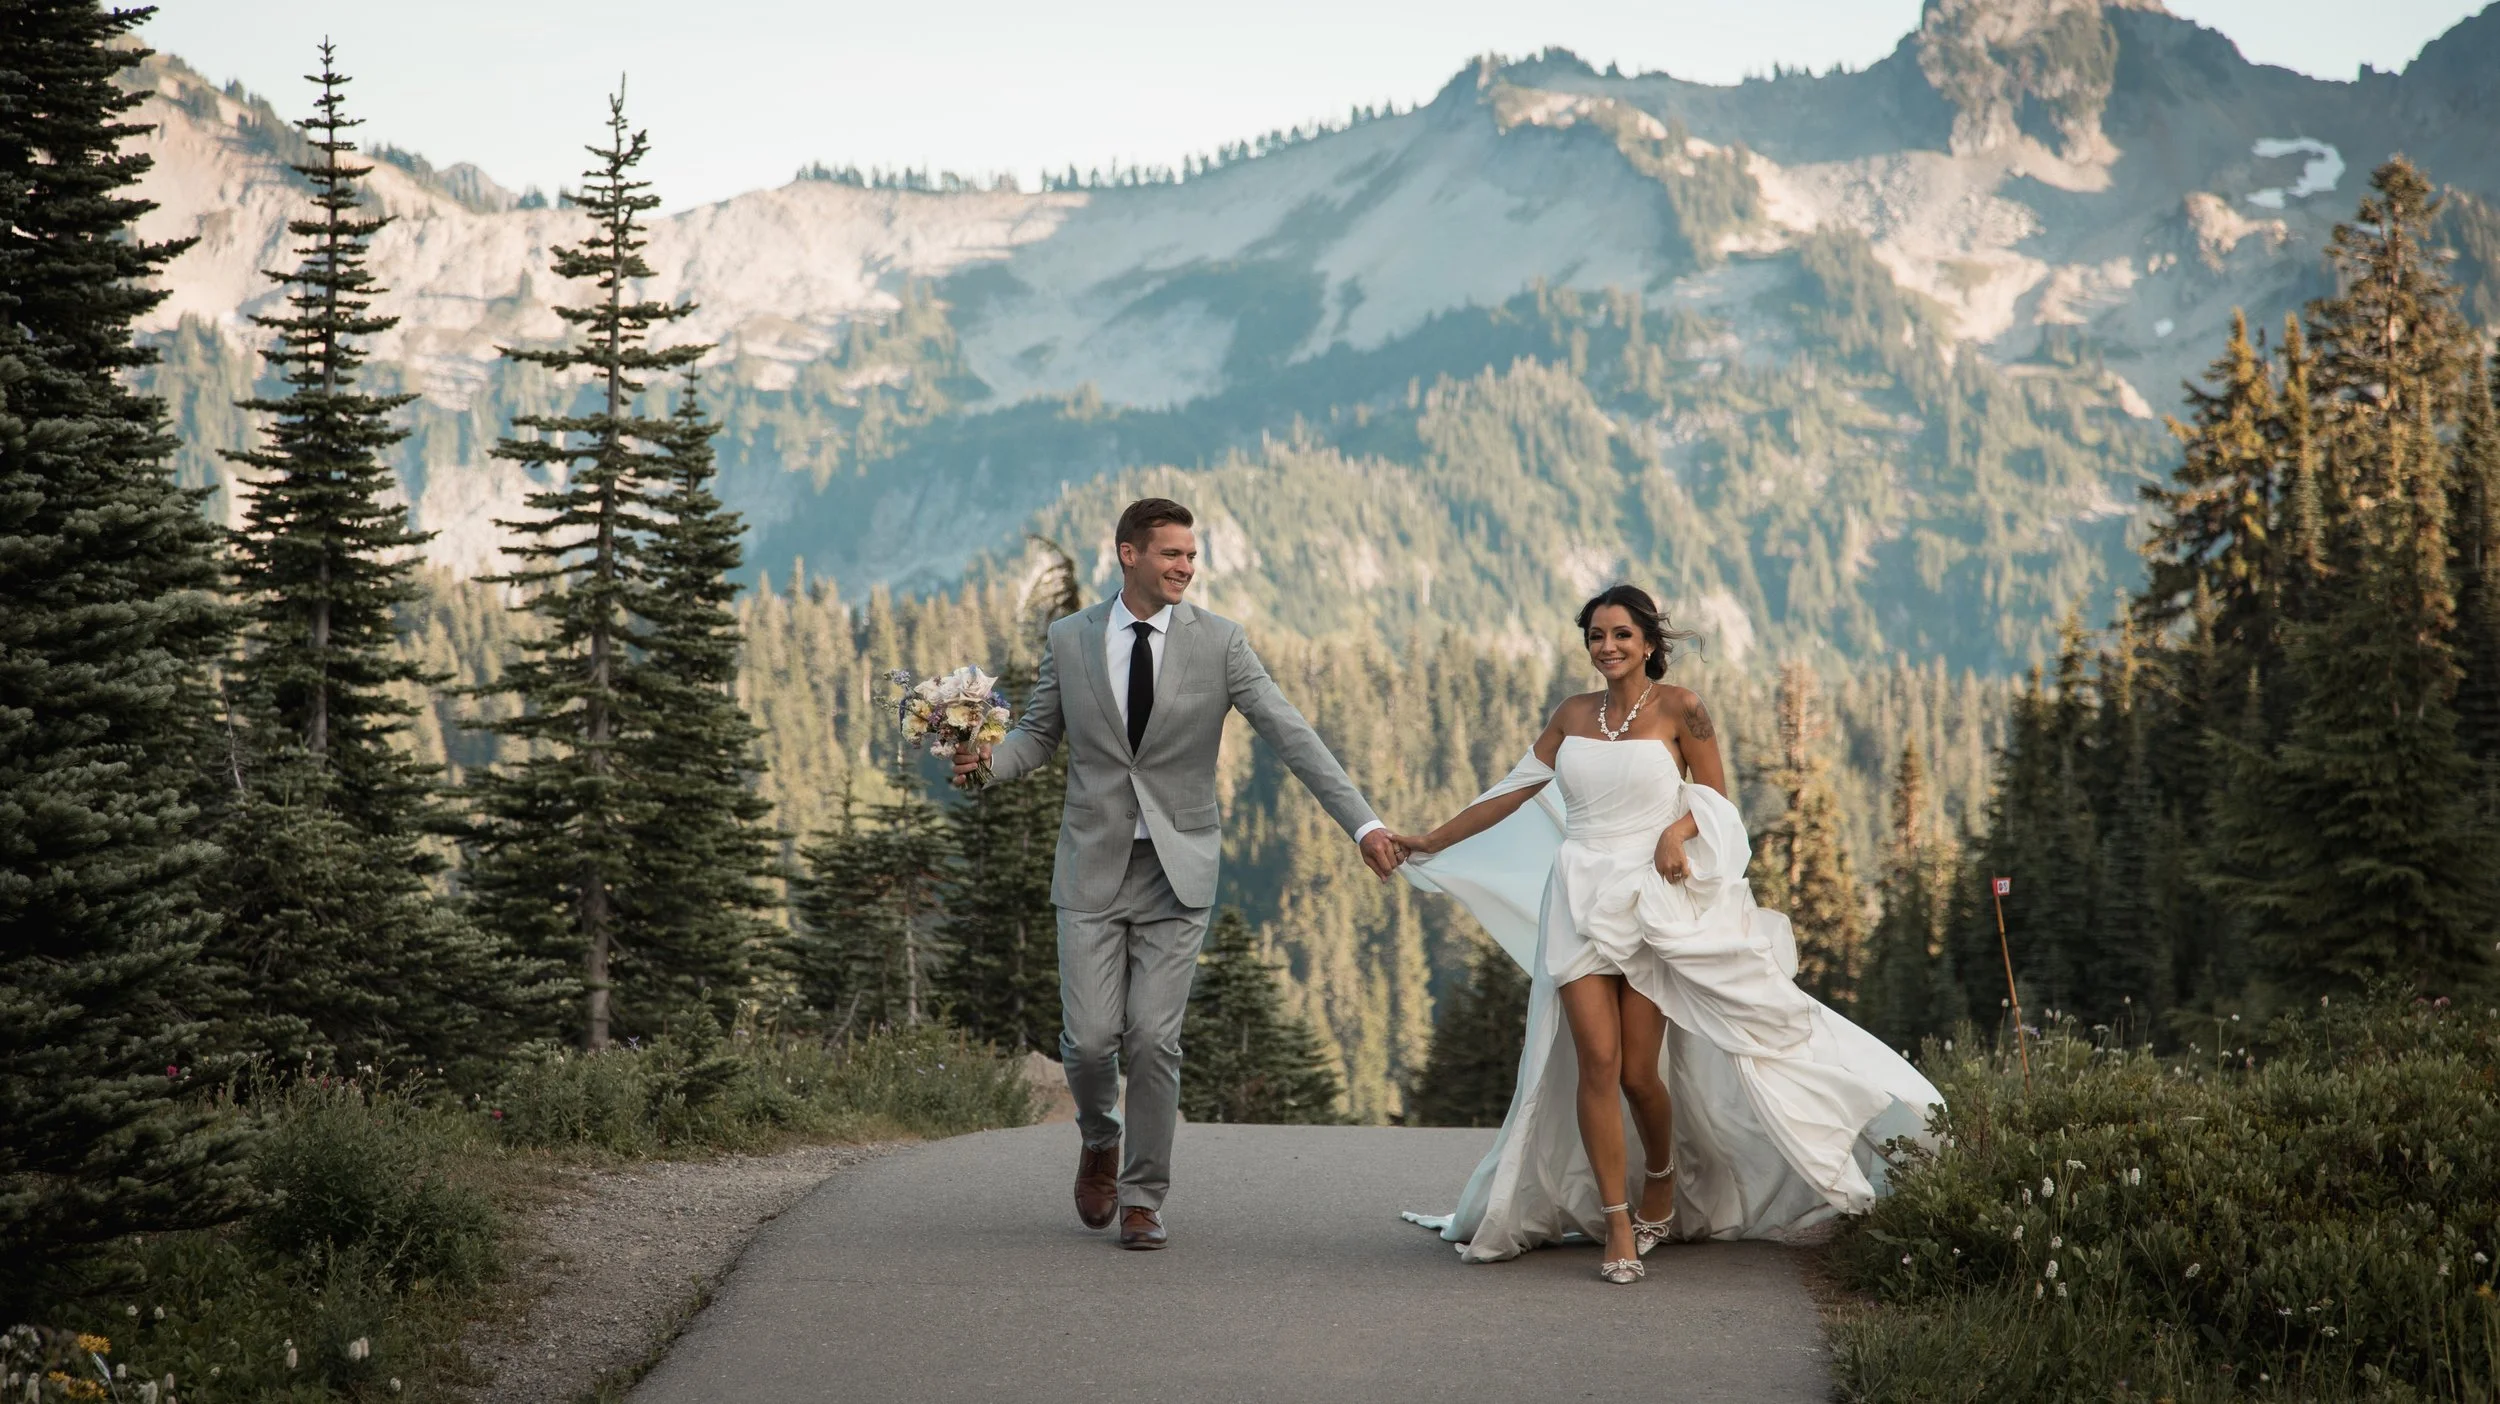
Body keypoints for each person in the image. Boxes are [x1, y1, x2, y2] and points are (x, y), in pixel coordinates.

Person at [1387, 585, 1941, 1283]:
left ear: (1650, 642)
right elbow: (1511, 790)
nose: (1607, 646)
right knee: (1594, 1060)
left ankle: (1662, 1175)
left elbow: (1717, 802)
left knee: (1638, 1073)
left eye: (1621, 634)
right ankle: (1618, 1226)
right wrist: (1427, 842)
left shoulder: (1683, 709)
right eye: (1596, 635)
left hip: (1652, 904)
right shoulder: (1571, 715)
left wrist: (1677, 833)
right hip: (1580, 895)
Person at [958, 497, 1402, 1250]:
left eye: (1192, 557)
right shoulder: (1069, 638)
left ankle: (1142, 1194)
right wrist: (984, 765)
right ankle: (1100, 1138)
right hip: (1092, 865)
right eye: (1171, 554)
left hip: (1177, 871)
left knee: (1154, 1039)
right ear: (1127, 554)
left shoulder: (1221, 644)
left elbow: (1292, 734)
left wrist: (1362, 823)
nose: (1185, 568)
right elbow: (1036, 736)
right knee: (1090, 1041)